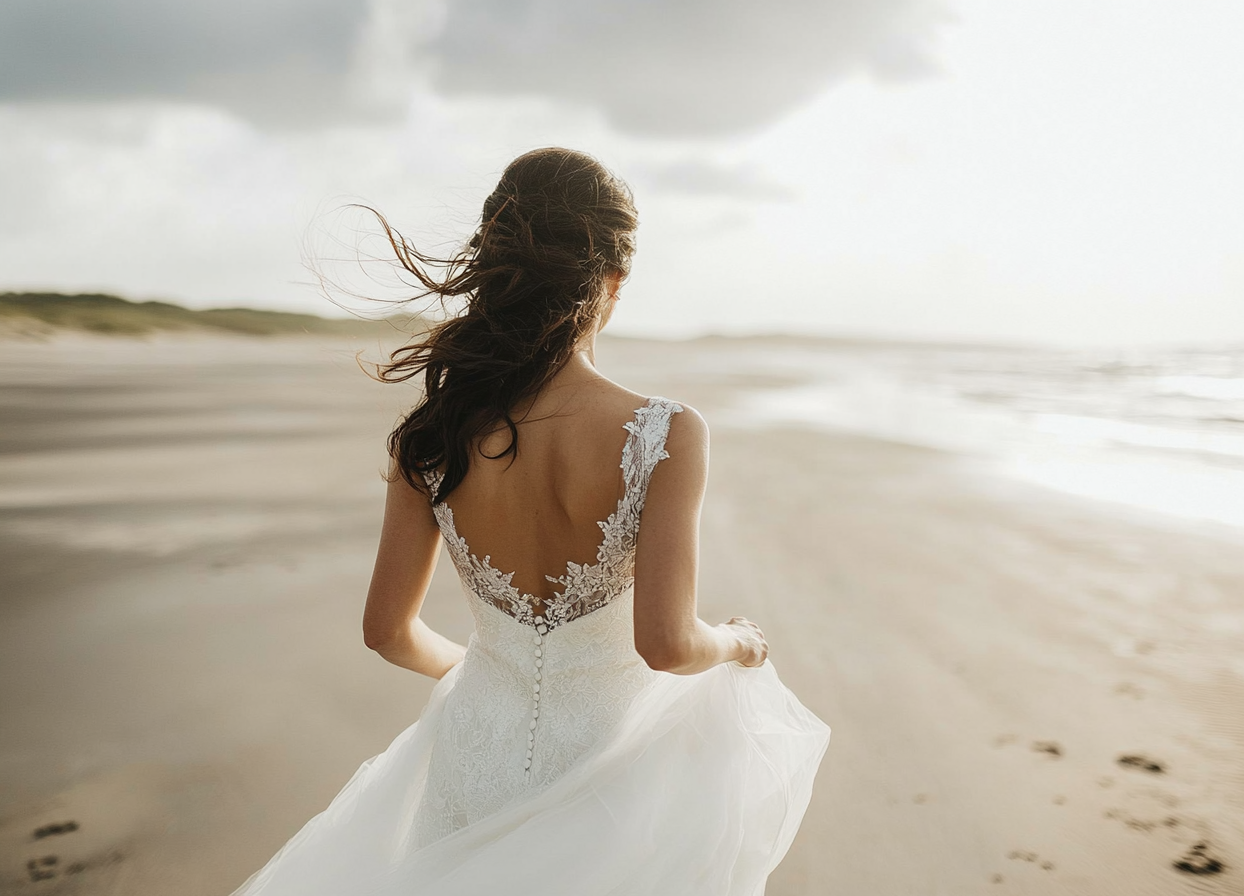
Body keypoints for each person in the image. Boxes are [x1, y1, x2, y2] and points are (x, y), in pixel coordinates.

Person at [230, 147, 829, 896]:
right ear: (613, 280)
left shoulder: (431, 433)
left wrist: (489, 674)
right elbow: (669, 647)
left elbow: (387, 632)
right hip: (607, 770)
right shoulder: (664, 432)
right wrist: (740, 642)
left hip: (473, 757)